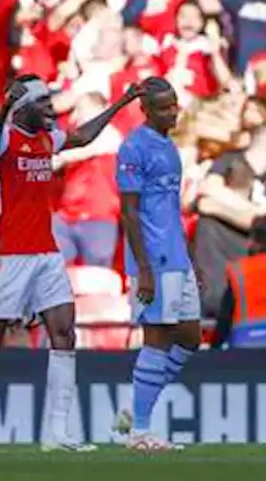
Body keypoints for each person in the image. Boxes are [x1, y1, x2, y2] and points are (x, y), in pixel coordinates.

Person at [0, 74, 143, 452]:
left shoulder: (47, 138)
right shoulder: (2, 139)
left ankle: (57, 433)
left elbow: (82, 137)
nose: (50, 109)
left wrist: (121, 104)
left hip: (45, 253)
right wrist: (6, 105)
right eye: (42, 103)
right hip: (7, 254)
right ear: (22, 107)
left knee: (64, 332)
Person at [112, 77, 200, 452]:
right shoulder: (133, 147)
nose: (172, 112)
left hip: (176, 255)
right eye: (163, 107)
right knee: (159, 339)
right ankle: (140, 432)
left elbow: (168, 209)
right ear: (145, 109)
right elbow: (129, 213)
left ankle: (133, 414)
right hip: (154, 259)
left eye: (174, 104)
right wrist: (144, 268)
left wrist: (188, 258)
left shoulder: (168, 145)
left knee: (191, 338)